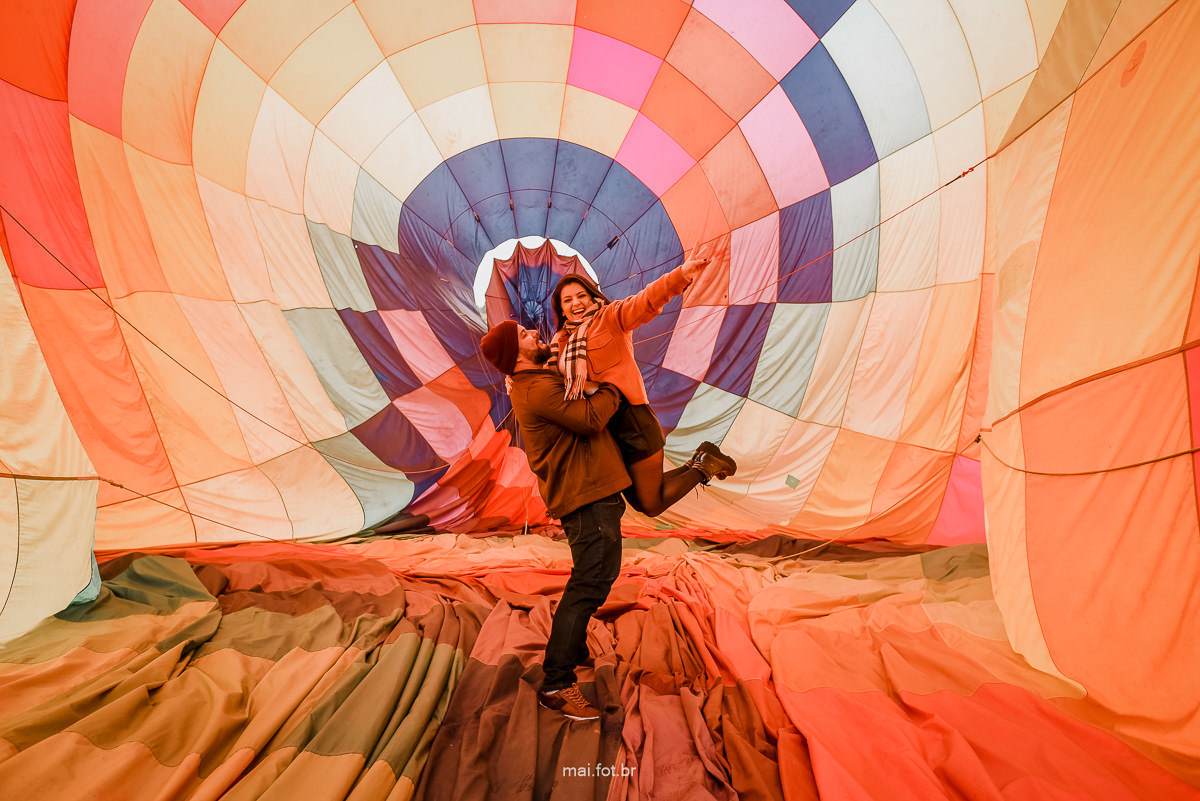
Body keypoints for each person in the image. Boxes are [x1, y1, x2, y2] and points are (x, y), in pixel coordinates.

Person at [480, 319, 628, 721]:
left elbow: (560, 364)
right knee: (590, 582)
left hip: (587, 489)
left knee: (592, 577)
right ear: (517, 355)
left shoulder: (535, 380)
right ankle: (556, 682)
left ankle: (573, 644)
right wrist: (616, 385)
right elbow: (592, 418)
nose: (535, 333)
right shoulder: (538, 388)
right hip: (585, 494)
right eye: (525, 335)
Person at [549, 246, 737, 516]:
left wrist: (681, 275)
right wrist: (512, 375)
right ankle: (702, 460)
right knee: (641, 501)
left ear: (593, 298)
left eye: (581, 296)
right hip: (604, 429)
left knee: (651, 504)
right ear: (561, 309)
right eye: (567, 300)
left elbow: (646, 300)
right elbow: (539, 369)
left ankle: (704, 465)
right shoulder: (560, 344)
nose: (576, 303)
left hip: (631, 421)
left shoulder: (610, 317)